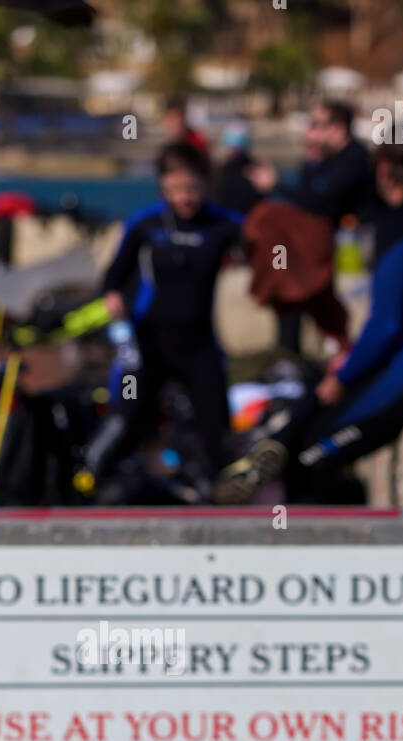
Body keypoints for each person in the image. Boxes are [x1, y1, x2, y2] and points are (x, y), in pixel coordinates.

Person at [214, 131, 403, 505]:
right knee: (318, 420)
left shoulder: (400, 222)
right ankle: (279, 448)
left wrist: (343, 378)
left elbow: (387, 325)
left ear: (384, 171)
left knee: (307, 458)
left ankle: (317, 541)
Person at [84, 141, 243, 484]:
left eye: (191, 189)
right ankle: (100, 480)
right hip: (149, 340)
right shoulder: (146, 224)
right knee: (129, 411)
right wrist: (113, 298)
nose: (184, 198)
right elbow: (114, 276)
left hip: (199, 343)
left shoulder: (223, 225)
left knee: (215, 423)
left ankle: (218, 494)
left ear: (206, 184)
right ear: (162, 188)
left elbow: (268, 247)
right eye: (174, 190)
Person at [274, 100, 375, 354]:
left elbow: (317, 203)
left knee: (352, 314)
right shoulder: (329, 161)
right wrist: (312, 157)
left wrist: (275, 185)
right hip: (336, 253)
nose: (312, 132)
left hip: (355, 255)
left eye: (318, 125)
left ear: (339, 129)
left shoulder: (355, 159)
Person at [214, 122, 275, 218]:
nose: (234, 146)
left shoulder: (223, 169)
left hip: (242, 220)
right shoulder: (224, 169)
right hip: (240, 219)